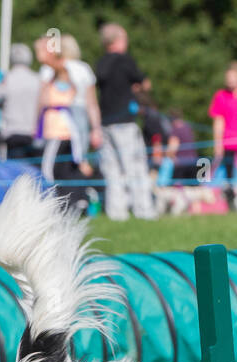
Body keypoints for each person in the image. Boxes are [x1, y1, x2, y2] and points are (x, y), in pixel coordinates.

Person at [94, 23, 155, 219]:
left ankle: (116, 212)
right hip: (125, 123)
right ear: (118, 41)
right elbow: (144, 82)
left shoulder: (100, 63)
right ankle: (143, 210)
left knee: (112, 169)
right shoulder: (124, 60)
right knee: (134, 167)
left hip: (105, 123)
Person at [38, 52, 92, 183]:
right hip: (69, 130)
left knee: (48, 166)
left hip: (56, 130)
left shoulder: (51, 87)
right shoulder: (70, 88)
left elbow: (43, 101)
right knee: (67, 165)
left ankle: (49, 189)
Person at [0, 43, 39, 159]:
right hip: (33, 132)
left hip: (12, 132)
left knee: (16, 172)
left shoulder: (6, 79)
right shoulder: (38, 80)